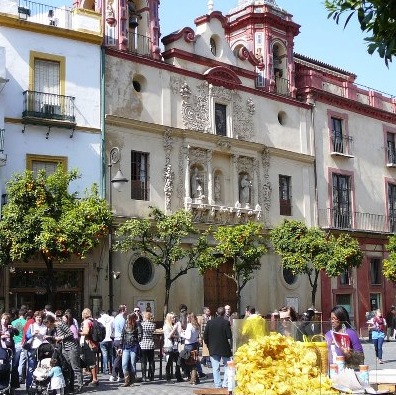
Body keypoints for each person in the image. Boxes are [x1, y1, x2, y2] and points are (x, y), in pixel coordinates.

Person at [46, 314, 83, 393]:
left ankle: (80, 386)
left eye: (47, 325)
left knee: (75, 367)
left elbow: (70, 333)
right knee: (66, 367)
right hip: (64, 348)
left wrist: (61, 337)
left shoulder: (60, 324)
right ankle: (68, 386)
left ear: (50, 322)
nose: (48, 327)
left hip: (71, 347)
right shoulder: (55, 328)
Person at [325, 305, 364, 370]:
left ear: (341, 319)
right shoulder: (328, 334)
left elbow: (360, 357)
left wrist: (349, 354)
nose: (332, 321)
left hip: (347, 371)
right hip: (331, 371)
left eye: (334, 318)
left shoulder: (351, 333)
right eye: (331, 319)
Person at [204, 306, 232, 389]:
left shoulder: (210, 322)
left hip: (213, 348)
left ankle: (218, 384)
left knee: (215, 368)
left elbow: (205, 336)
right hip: (224, 348)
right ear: (224, 314)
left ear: (216, 313)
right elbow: (229, 336)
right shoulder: (226, 323)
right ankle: (225, 383)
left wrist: (208, 345)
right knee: (228, 367)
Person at [25, 310, 47, 389]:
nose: (38, 319)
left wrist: (40, 334)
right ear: (35, 318)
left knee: (41, 367)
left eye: (40, 317)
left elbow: (45, 336)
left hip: (42, 349)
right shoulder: (32, 325)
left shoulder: (45, 326)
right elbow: (27, 336)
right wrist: (33, 334)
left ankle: (40, 385)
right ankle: (29, 385)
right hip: (32, 348)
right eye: (37, 317)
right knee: (31, 367)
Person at [120, 312, 142, 386]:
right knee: (124, 364)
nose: (127, 320)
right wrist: (120, 346)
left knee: (133, 363)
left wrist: (136, 339)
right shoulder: (125, 325)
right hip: (126, 346)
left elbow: (140, 335)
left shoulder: (137, 325)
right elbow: (122, 335)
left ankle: (132, 380)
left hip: (134, 346)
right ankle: (127, 380)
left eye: (128, 319)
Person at [79, 308, 99, 387]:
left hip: (89, 343)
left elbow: (86, 332)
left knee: (91, 362)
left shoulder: (87, 322)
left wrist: (78, 332)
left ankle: (94, 379)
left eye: (83, 313)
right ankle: (93, 378)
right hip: (93, 343)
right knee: (92, 361)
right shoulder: (92, 321)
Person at [162, 313, 183, 384]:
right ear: (169, 319)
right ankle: (168, 378)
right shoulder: (166, 326)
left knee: (178, 362)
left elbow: (178, 335)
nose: (174, 319)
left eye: (175, 318)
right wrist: (174, 330)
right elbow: (169, 336)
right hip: (169, 346)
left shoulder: (174, 325)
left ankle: (178, 376)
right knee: (169, 363)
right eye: (173, 318)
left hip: (175, 346)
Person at [110, 304, 127, 382]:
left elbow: (113, 327)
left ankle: (121, 375)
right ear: (122, 310)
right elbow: (124, 330)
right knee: (118, 358)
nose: (127, 310)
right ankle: (113, 375)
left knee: (120, 358)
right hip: (120, 340)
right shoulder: (122, 319)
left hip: (116, 339)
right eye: (126, 309)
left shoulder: (116, 318)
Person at [139, 311, 156, 381]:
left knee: (143, 362)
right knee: (151, 361)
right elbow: (153, 333)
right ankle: (151, 376)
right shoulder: (153, 325)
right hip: (151, 344)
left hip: (143, 344)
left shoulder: (141, 324)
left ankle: (144, 376)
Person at [11, 308, 26, 384]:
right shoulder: (26, 322)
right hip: (23, 343)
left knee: (15, 361)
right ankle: (20, 377)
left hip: (15, 342)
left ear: (18, 314)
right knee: (22, 361)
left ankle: (15, 376)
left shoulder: (13, 322)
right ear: (25, 315)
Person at [98, 310, 114, 375]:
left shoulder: (99, 319)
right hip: (110, 339)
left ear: (101, 314)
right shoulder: (112, 318)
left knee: (104, 355)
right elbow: (113, 328)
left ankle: (105, 370)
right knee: (111, 355)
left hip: (103, 339)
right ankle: (112, 369)